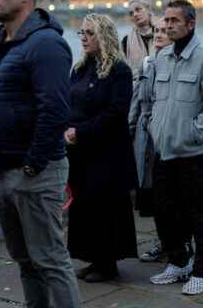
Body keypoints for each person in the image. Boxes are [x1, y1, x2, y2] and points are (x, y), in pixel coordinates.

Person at [0, 0, 80, 307]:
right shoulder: (2, 42)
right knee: (26, 263)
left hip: (33, 173)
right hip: (3, 171)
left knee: (50, 261)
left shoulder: (46, 44)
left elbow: (56, 110)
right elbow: (9, 98)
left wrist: (32, 166)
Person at [148, 0, 203, 296]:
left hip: (193, 151)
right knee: (165, 211)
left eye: (173, 21)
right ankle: (179, 261)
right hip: (164, 150)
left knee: (198, 213)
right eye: (166, 20)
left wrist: (195, 131)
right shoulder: (162, 56)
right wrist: (152, 126)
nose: (168, 25)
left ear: (190, 24)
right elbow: (155, 100)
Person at [66, 14, 138, 282]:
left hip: (107, 153)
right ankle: (93, 259)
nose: (83, 38)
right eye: (81, 33)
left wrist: (80, 130)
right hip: (81, 151)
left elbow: (117, 112)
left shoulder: (119, 70)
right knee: (85, 208)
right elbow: (69, 102)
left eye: (90, 33)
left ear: (104, 36)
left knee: (105, 209)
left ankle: (108, 263)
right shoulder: (79, 68)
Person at [129, 17, 179, 263]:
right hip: (146, 138)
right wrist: (131, 128)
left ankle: (179, 245)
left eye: (164, 31)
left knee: (172, 196)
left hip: (168, 136)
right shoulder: (147, 64)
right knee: (152, 196)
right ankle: (164, 242)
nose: (159, 34)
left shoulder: (176, 65)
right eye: (156, 30)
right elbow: (137, 101)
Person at [122, 0, 155, 81]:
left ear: (148, 10)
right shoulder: (126, 41)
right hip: (137, 89)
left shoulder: (163, 33)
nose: (135, 15)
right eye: (131, 13)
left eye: (138, 10)